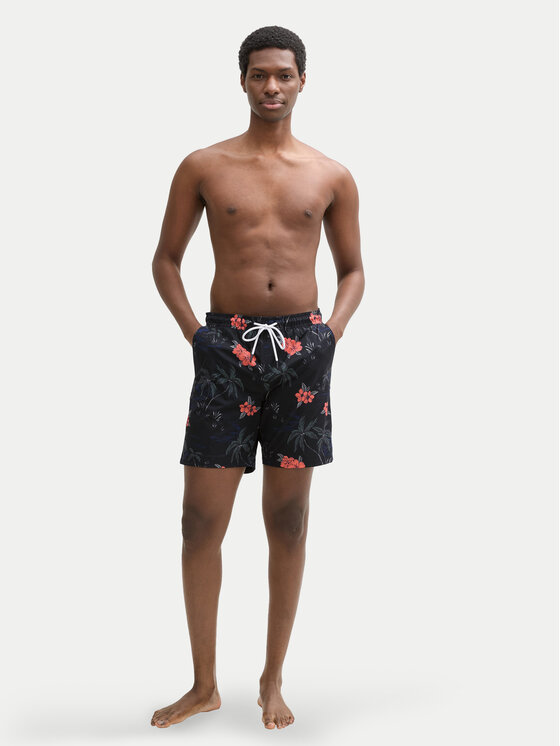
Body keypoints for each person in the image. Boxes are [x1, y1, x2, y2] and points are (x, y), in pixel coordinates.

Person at [150, 25, 365, 731]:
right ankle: (203, 684)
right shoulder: (204, 166)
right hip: (225, 350)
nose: (271, 86)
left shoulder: (330, 175)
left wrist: (329, 334)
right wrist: (198, 336)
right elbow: (165, 260)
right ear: (242, 80)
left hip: (303, 350)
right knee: (198, 522)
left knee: (289, 521)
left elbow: (354, 271)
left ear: (302, 81)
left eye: (284, 75)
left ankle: (273, 678)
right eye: (259, 75)